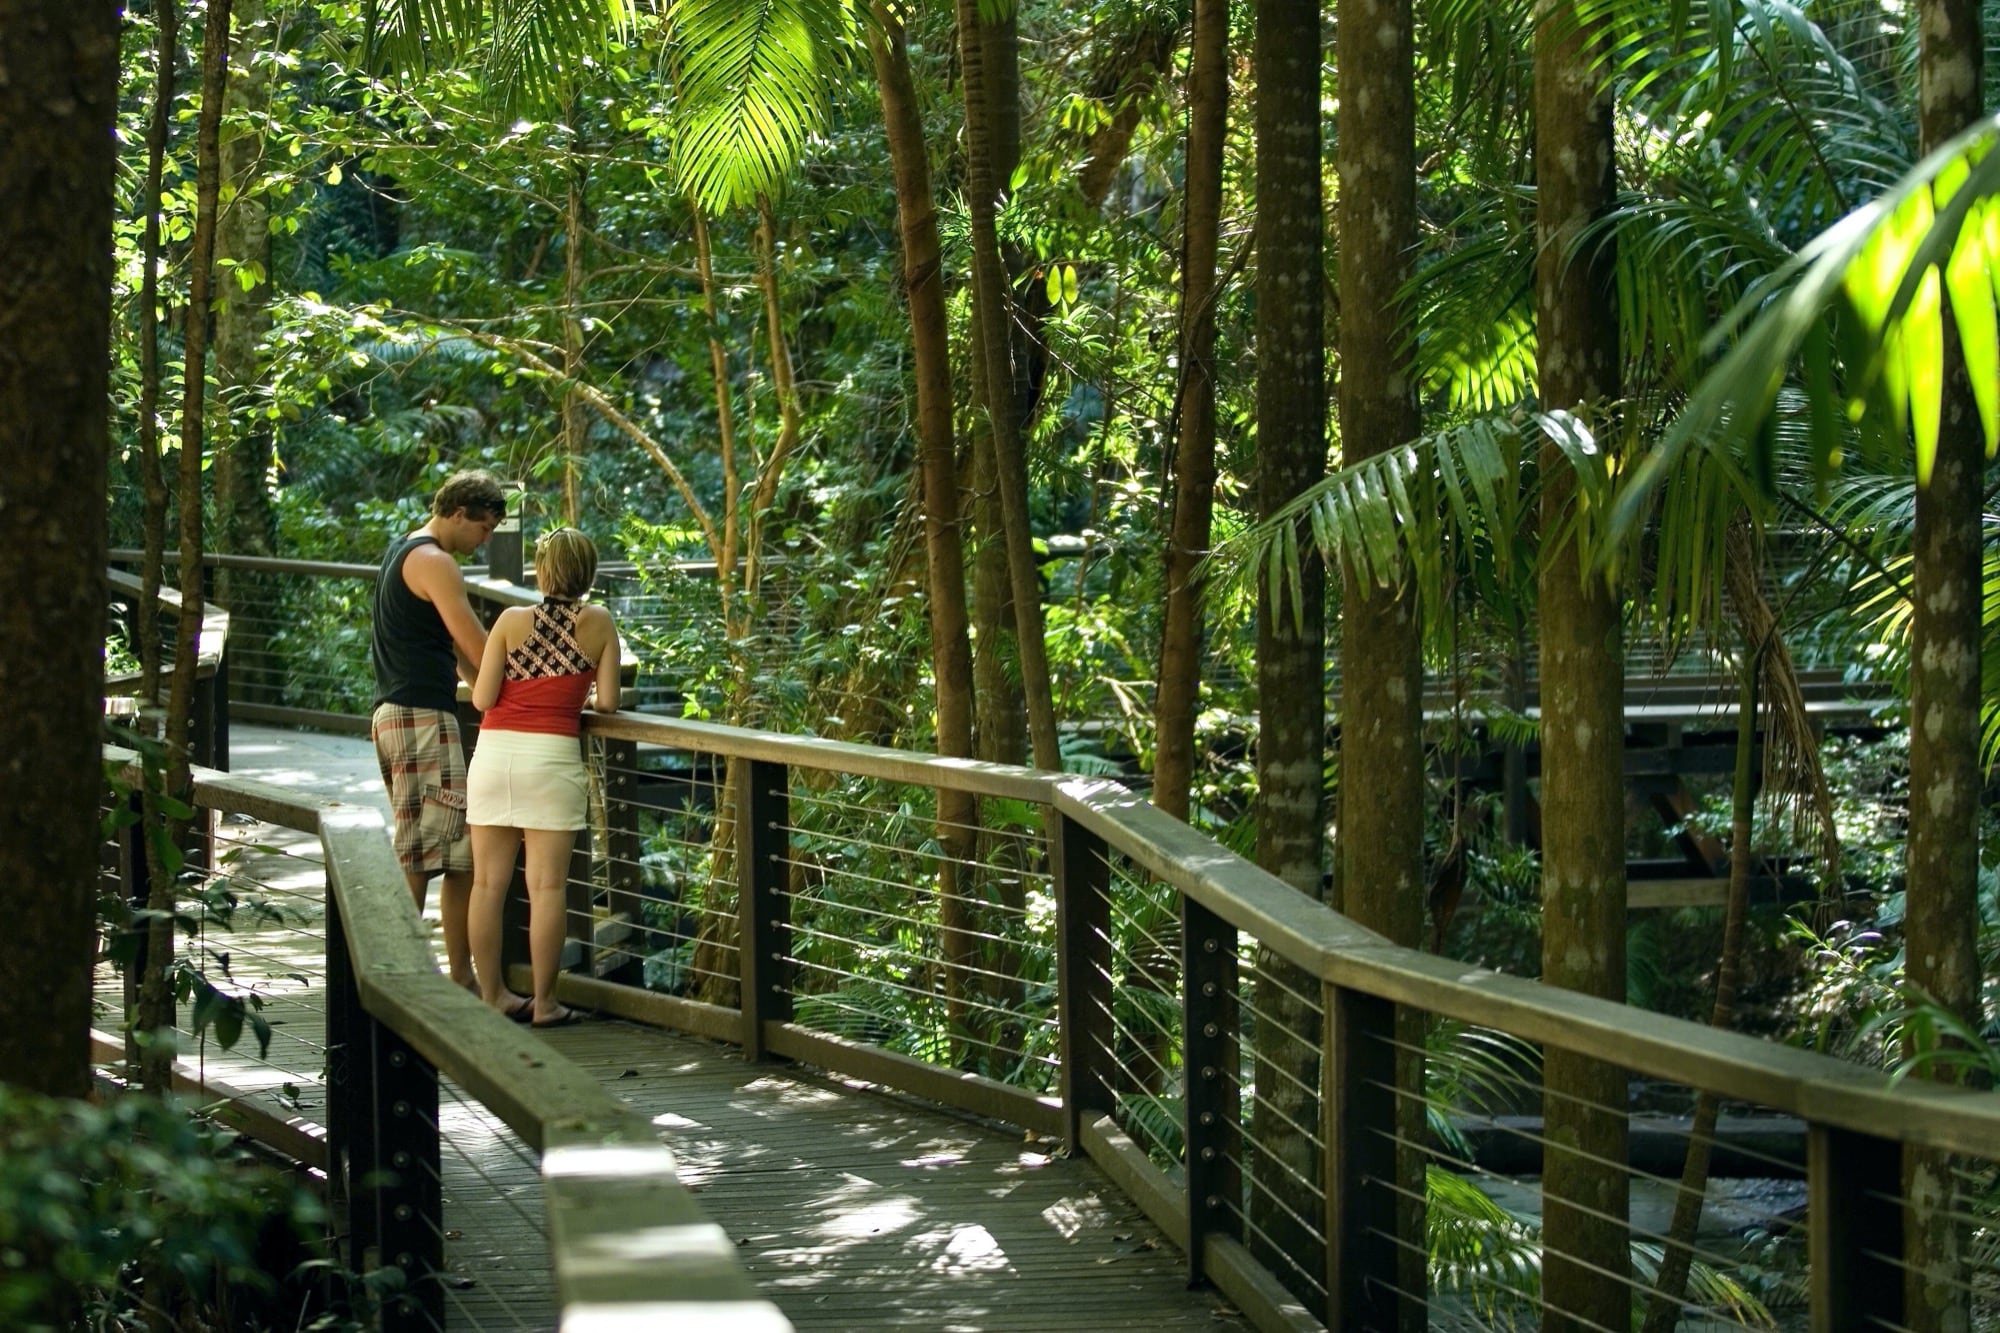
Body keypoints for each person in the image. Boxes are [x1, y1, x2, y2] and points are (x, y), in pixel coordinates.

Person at [466, 527, 621, 1027]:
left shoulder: (511, 621)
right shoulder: (599, 624)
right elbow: (610, 702)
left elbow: (483, 699)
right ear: (588, 572)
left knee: (488, 884)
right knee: (548, 888)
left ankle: (491, 995)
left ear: (543, 570)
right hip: (552, 759)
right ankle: (545, 1003)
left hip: (495, 757)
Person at [370, 469, 507, 991]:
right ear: (457, 514)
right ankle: (398, 976)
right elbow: (477, 644)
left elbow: (453, 652)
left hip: (403, 713)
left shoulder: (402, 550)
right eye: (484, 528)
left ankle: (458, 977)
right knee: (428, 852)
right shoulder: (435, 562)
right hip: (419, 716)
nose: (486, 539)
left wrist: (489, 698)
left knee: (450, 850)